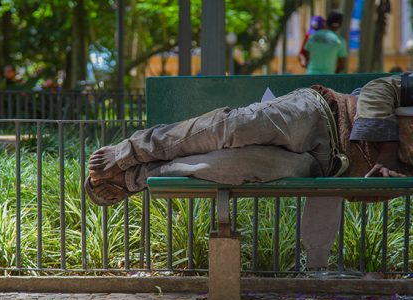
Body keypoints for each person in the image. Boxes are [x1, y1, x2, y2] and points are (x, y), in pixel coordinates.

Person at [86, 74, 408, 269]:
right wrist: (390, 151)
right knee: (234, 127)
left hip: (323, 168)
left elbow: (376, 188)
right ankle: (132, 149)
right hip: (323, 113)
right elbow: (380, 89)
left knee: (232, 166)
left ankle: (132, 179)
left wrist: (380, 184)